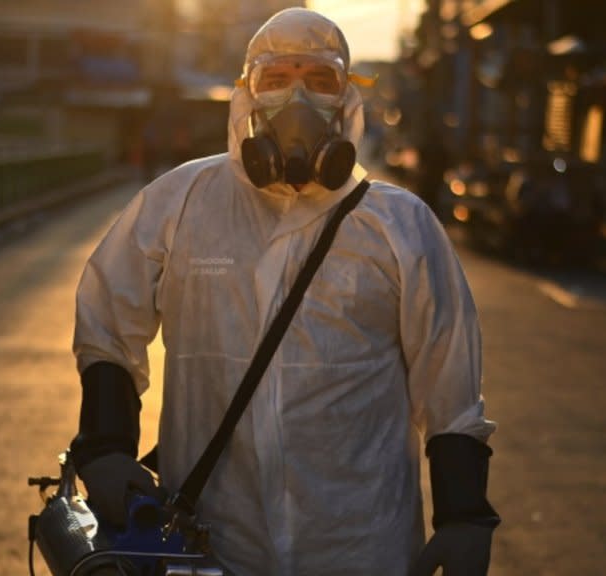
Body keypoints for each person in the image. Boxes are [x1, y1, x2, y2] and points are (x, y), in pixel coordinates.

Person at [70, 8, 499, 575]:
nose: (298, 99)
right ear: (246, 95)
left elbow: (449, 377)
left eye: (320, 81)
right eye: (276, 80)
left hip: (361, 547)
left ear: (346, 100)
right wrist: (105, 443)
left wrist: (463, 511)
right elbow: (107, 317)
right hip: (212, 547)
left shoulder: (401, 225)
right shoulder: (181, 203)